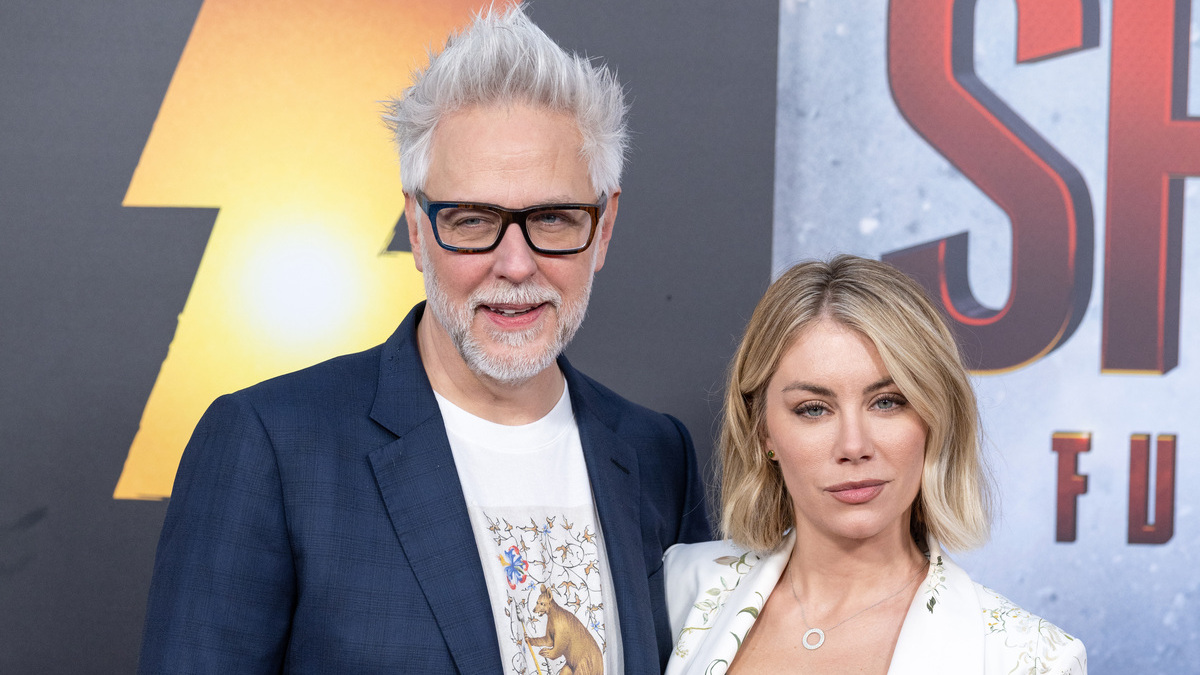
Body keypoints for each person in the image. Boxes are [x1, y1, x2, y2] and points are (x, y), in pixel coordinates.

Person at [138, 7, 710, 674]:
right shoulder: (270, 445)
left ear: (605, 226)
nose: (516, 264)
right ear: (416, 226)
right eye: (472, 219)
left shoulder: (655, 455)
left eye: (553, 218)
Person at [663, 255, 1086, 674]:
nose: (854, 445)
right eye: (813, 409)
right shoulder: (677, 590)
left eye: (888, 402)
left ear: (936, 418)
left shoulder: (1031, 658)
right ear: (764, 432)